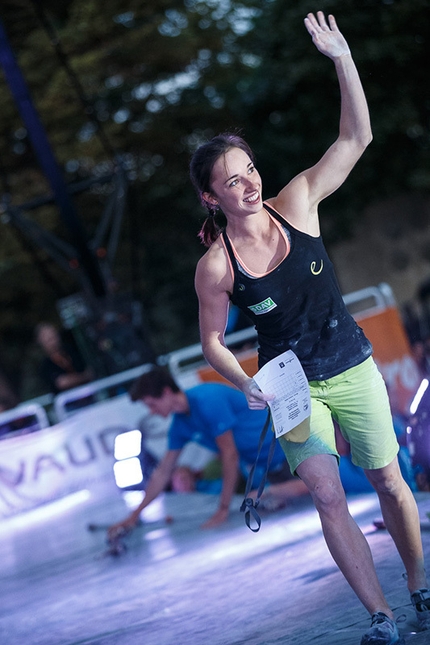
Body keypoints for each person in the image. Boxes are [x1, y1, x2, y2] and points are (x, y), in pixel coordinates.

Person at [191, 11, 430, 645]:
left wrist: (342, 58)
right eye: (231, 181)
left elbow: (357, 138)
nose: (248, 184)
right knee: (328, 494)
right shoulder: (216, 266)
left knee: (389, 481)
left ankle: (419, 589)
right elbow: (212, 341)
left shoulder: (297, 201)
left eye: (250, 171)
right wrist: (244, 381)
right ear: (211, 197)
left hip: (350, 363)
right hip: (290, 384)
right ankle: (380, 618)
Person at [108, 366, 309, 535]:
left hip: (292, 450)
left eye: (152, 404)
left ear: (167, 392)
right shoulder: (180, 425)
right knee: (271, 501)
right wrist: (133, 516)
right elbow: (162, 472)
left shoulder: (207, 398)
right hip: (266, 468)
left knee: (329, 489)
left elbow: (230, 455)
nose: (152, 411)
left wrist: (222, 509)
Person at [35, 322, 94, 394]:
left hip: (90, 393)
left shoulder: (72, 351)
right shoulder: (45, 365)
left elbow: (88, 368)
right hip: (68, 402)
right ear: (41, 341)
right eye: (48, 339)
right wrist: (84, 377)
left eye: (53, 336)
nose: (53, 341)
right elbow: (62, 383)